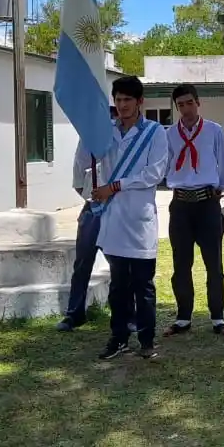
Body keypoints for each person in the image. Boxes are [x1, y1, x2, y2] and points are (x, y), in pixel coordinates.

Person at [95, 76, 170, 360]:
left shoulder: (154, 133)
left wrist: (115, 186)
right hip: (114, 218)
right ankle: (119, 337)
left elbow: (154, 173)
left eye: (128, 100)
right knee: (118, 287)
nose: (123, 105)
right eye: (118, 100)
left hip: (139, 221)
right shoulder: (106, 133)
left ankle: (147, 340)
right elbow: (96, 163)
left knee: (143, 286)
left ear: (140, 102)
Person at [163, 84, 224, 337]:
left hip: (207, 203)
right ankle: (183, 317)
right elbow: (166, 163)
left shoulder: (214, 130)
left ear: (198, 102)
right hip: (181, 204)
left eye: (189, 103)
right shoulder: (169, 134)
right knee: (181, 263)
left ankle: (217, 317)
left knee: (213, 263)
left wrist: (221, 187)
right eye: (180, 105)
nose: (185, 109)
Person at [58, 107, 135, 333]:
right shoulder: (88, 141)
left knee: (121, 265)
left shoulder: (124, 143)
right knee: (83, 263)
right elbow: (78, 176)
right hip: (93, 210)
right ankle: (74, 314)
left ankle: (128, 314)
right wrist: (92, 198)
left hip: (118, 210)